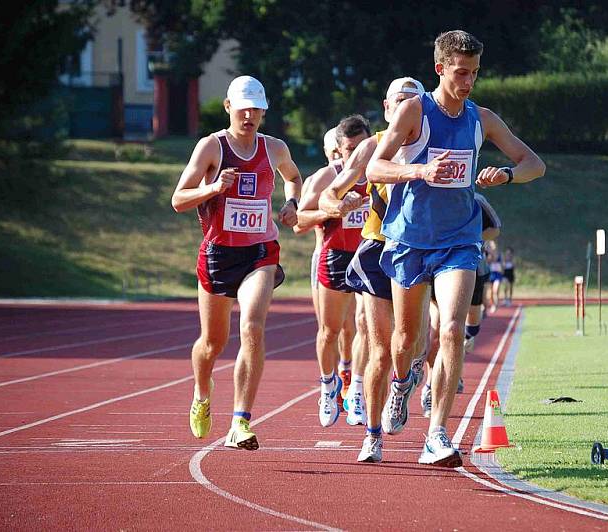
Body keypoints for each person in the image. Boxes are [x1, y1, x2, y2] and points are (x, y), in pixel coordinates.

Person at [367, 30, 545, 467]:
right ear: (440, 68)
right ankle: (402, 382)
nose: (467, 82)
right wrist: (420, 170)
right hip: (409, 239)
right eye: (461, 72)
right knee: (406, 339)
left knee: (450, 330)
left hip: (460, 240)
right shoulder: (414, 111)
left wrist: (503, 175)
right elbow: (375, 165)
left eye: (475, 74)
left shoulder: (481, 118)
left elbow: (534, 165)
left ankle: (437, 434)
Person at [172, 75, 301, 450]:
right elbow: (179, 199)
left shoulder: (274, 147)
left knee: (252, 327)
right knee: (212, 343)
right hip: (218, 254)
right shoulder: (211, 147)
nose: (249, 115)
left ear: (263, 111)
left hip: (260, 252)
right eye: (243, 108)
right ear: (229, 107)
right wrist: (213, 188)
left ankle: (241, 421)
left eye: (256, 109)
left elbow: (293, 176)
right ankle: (201, 392)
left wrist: (291, 203)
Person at [319, 77, 427, 462]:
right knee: (379, 347)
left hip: (420, 249)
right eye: (398, 102)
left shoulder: (434, 140)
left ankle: (404, 385)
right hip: (378, 248)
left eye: (411, 102)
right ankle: (373, 434)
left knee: (415, 344)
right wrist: (338, 201)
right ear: (386, 107)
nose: (404, 108)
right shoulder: (371, 145)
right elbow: (335, 189)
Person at [295, 115, 371, 427]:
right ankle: (328, 387)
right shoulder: (327, 177)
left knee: (364, 326)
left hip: (369, 254)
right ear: (339, 150)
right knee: (330, 330)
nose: (357, 155)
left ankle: (355, 388)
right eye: (350, 149)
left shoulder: (381, 170)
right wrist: (334, 208)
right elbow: (300, 221)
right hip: (335, 255)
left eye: (362, 147)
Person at [421, 193, 501, 417]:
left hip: (473, 266)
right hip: (439, 267)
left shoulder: (476, 199)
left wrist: (470, 235)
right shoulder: (430, 195)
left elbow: (495, 228)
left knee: (468, 330)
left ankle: (455, 359)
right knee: (438, 331)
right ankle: (430, 387)